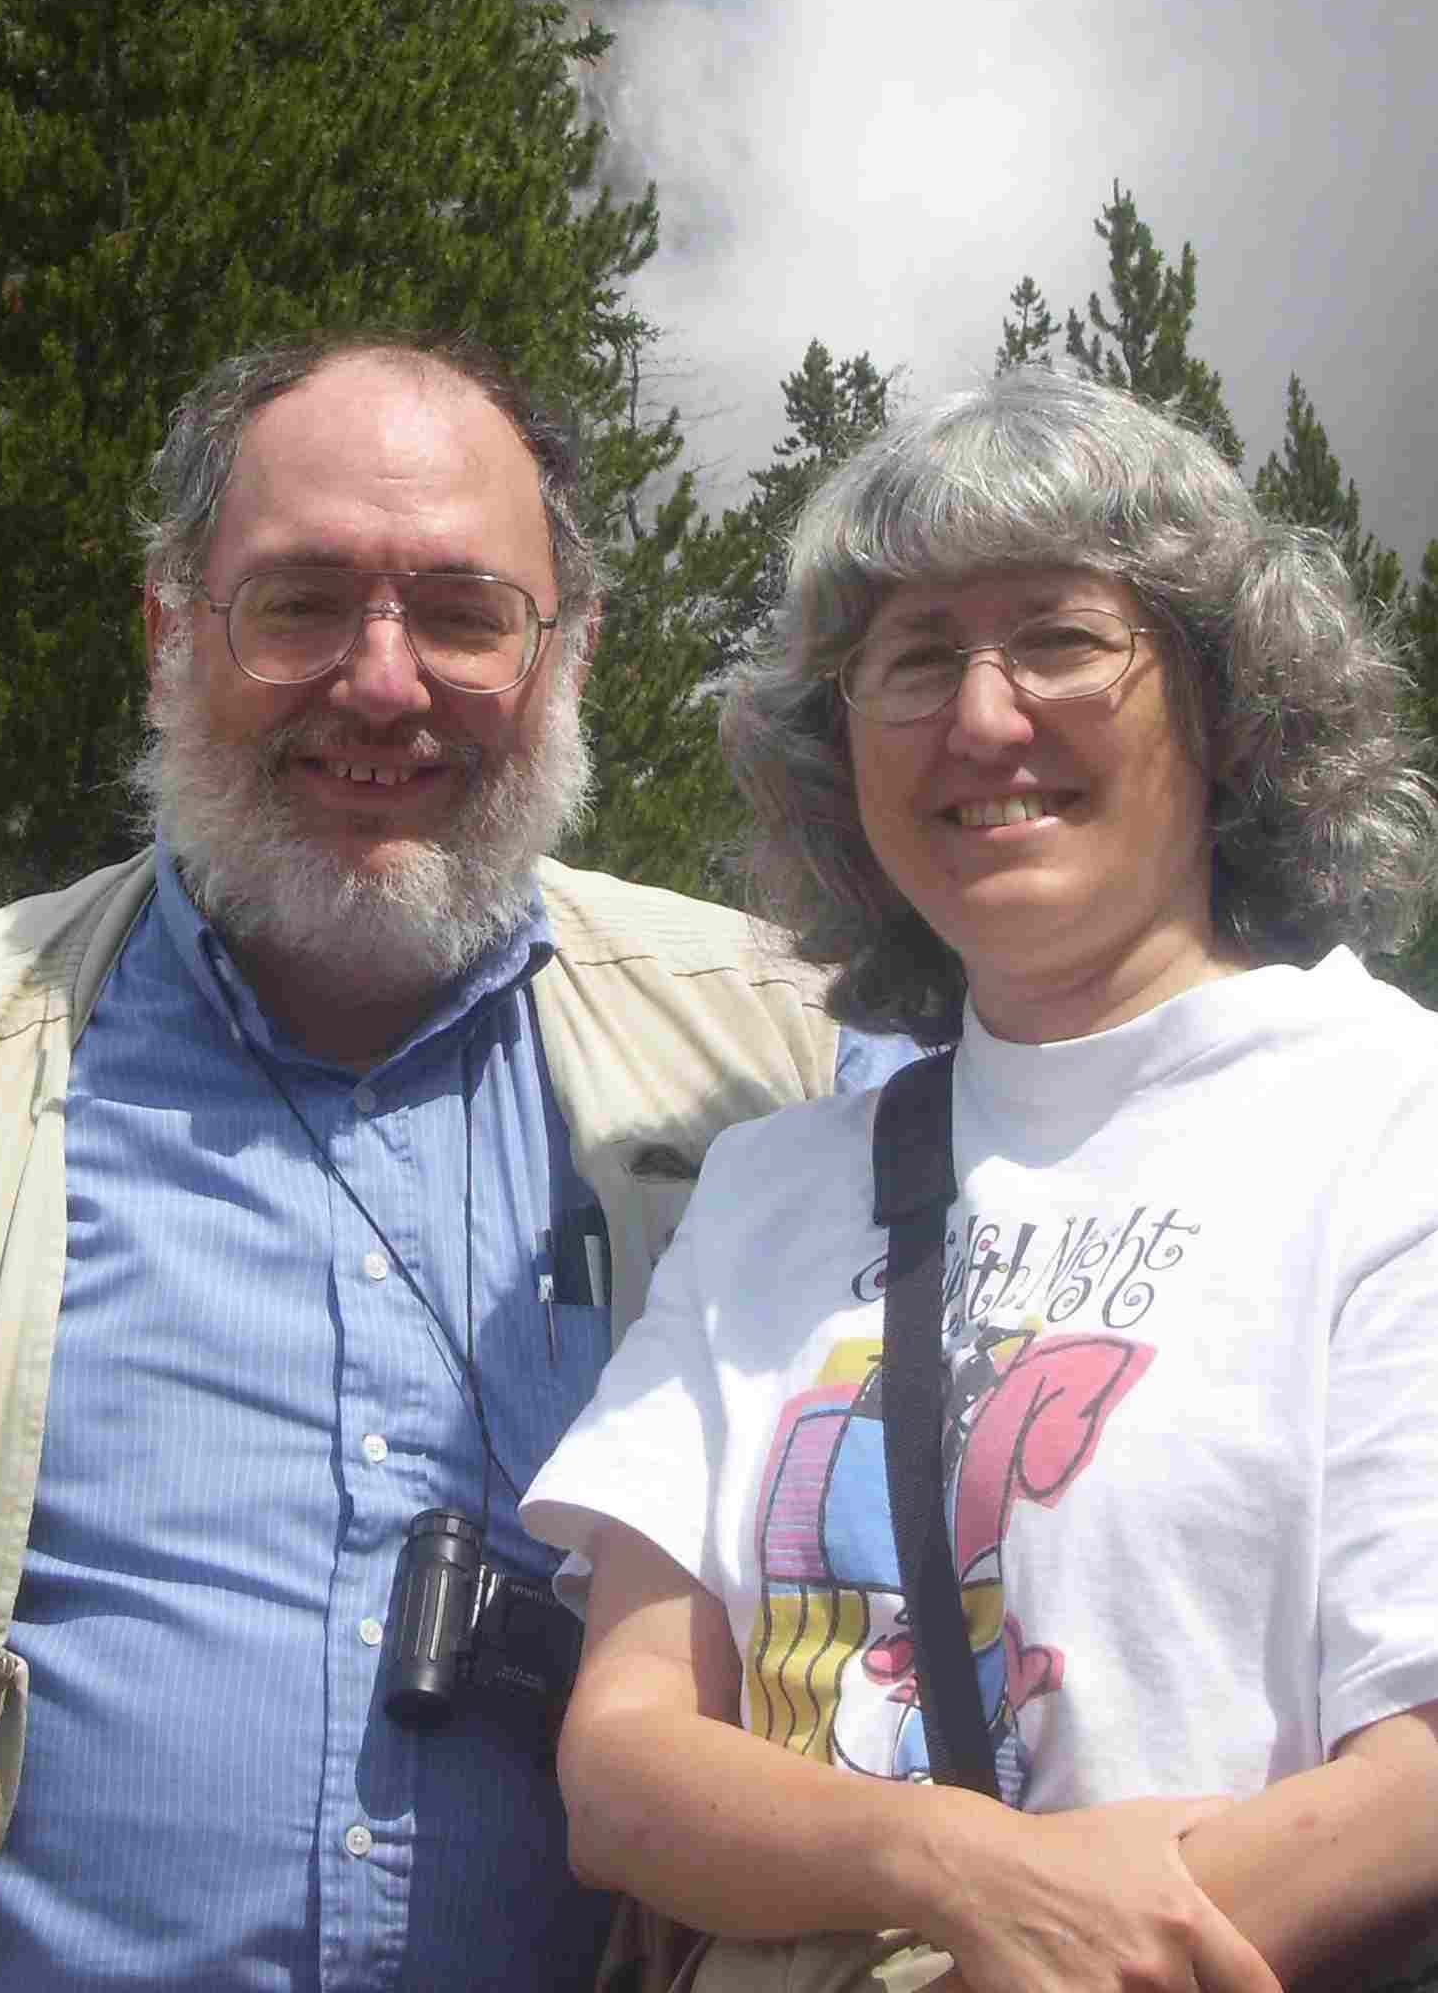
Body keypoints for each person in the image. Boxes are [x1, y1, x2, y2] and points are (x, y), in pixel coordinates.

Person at [0, 331, 908, 1993]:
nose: (382, 685)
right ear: (171, 628)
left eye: (463, 615)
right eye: (301, 602)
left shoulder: (800, 1069)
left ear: (570, 649)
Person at [523, 366, 1438, 1993]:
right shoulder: (772, 1190)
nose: (985, 718)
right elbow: (624, 1767)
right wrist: (954, 1870)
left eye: (1065, 639)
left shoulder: (1392, 1122)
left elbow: (1419, 1781)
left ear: (1225, 708)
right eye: (917, 661)